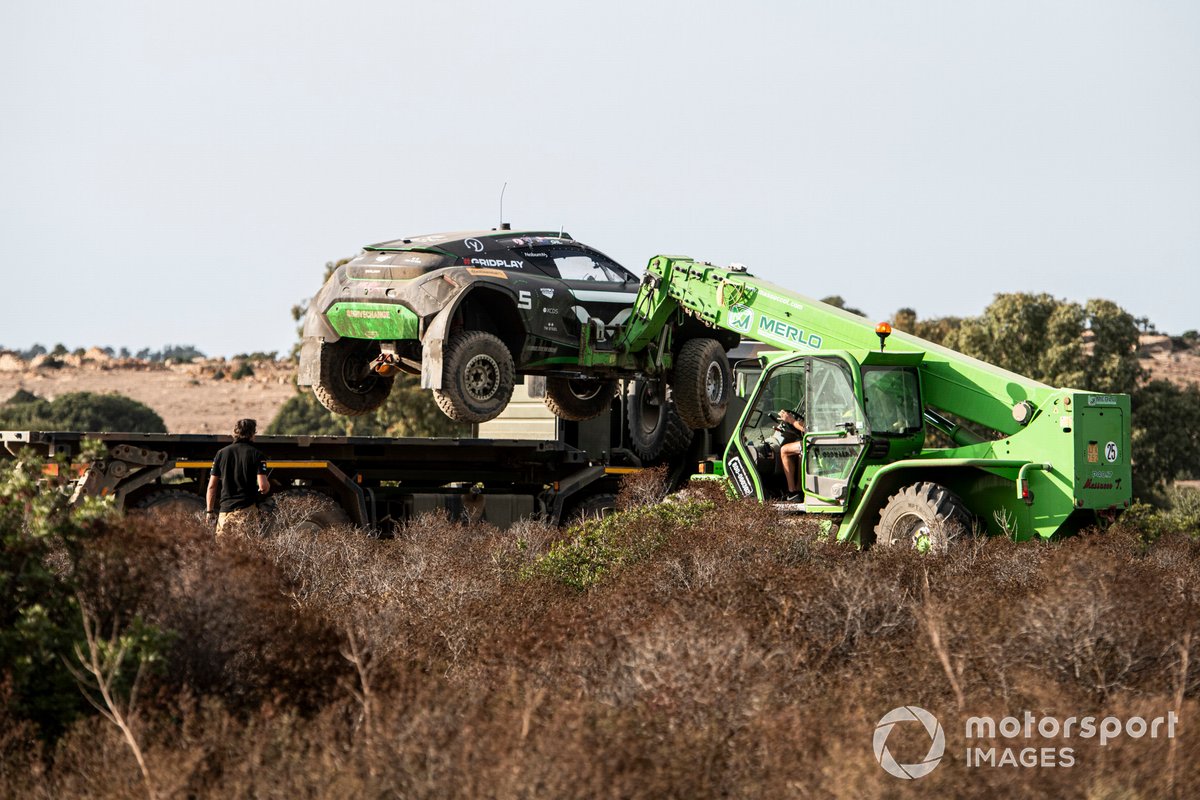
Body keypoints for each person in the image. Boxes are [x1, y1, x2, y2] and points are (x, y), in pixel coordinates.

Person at [206, 418, 270, 536]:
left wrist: (209, 511)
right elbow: (263, 486)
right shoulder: (257, 454)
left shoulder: (221, 453)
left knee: (224, 552)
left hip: (224, 513)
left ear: (235, 432)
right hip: (246, 512)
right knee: (245, 552)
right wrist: (267, 487)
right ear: (252, 434)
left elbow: (211, 487)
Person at [778, 408, 806, 502]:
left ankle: (792, 491)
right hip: (815, 440)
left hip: (817, 442)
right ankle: (799, 488)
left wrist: (791, 420)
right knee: (799, 450)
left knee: (784, 450)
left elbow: (807, 428)